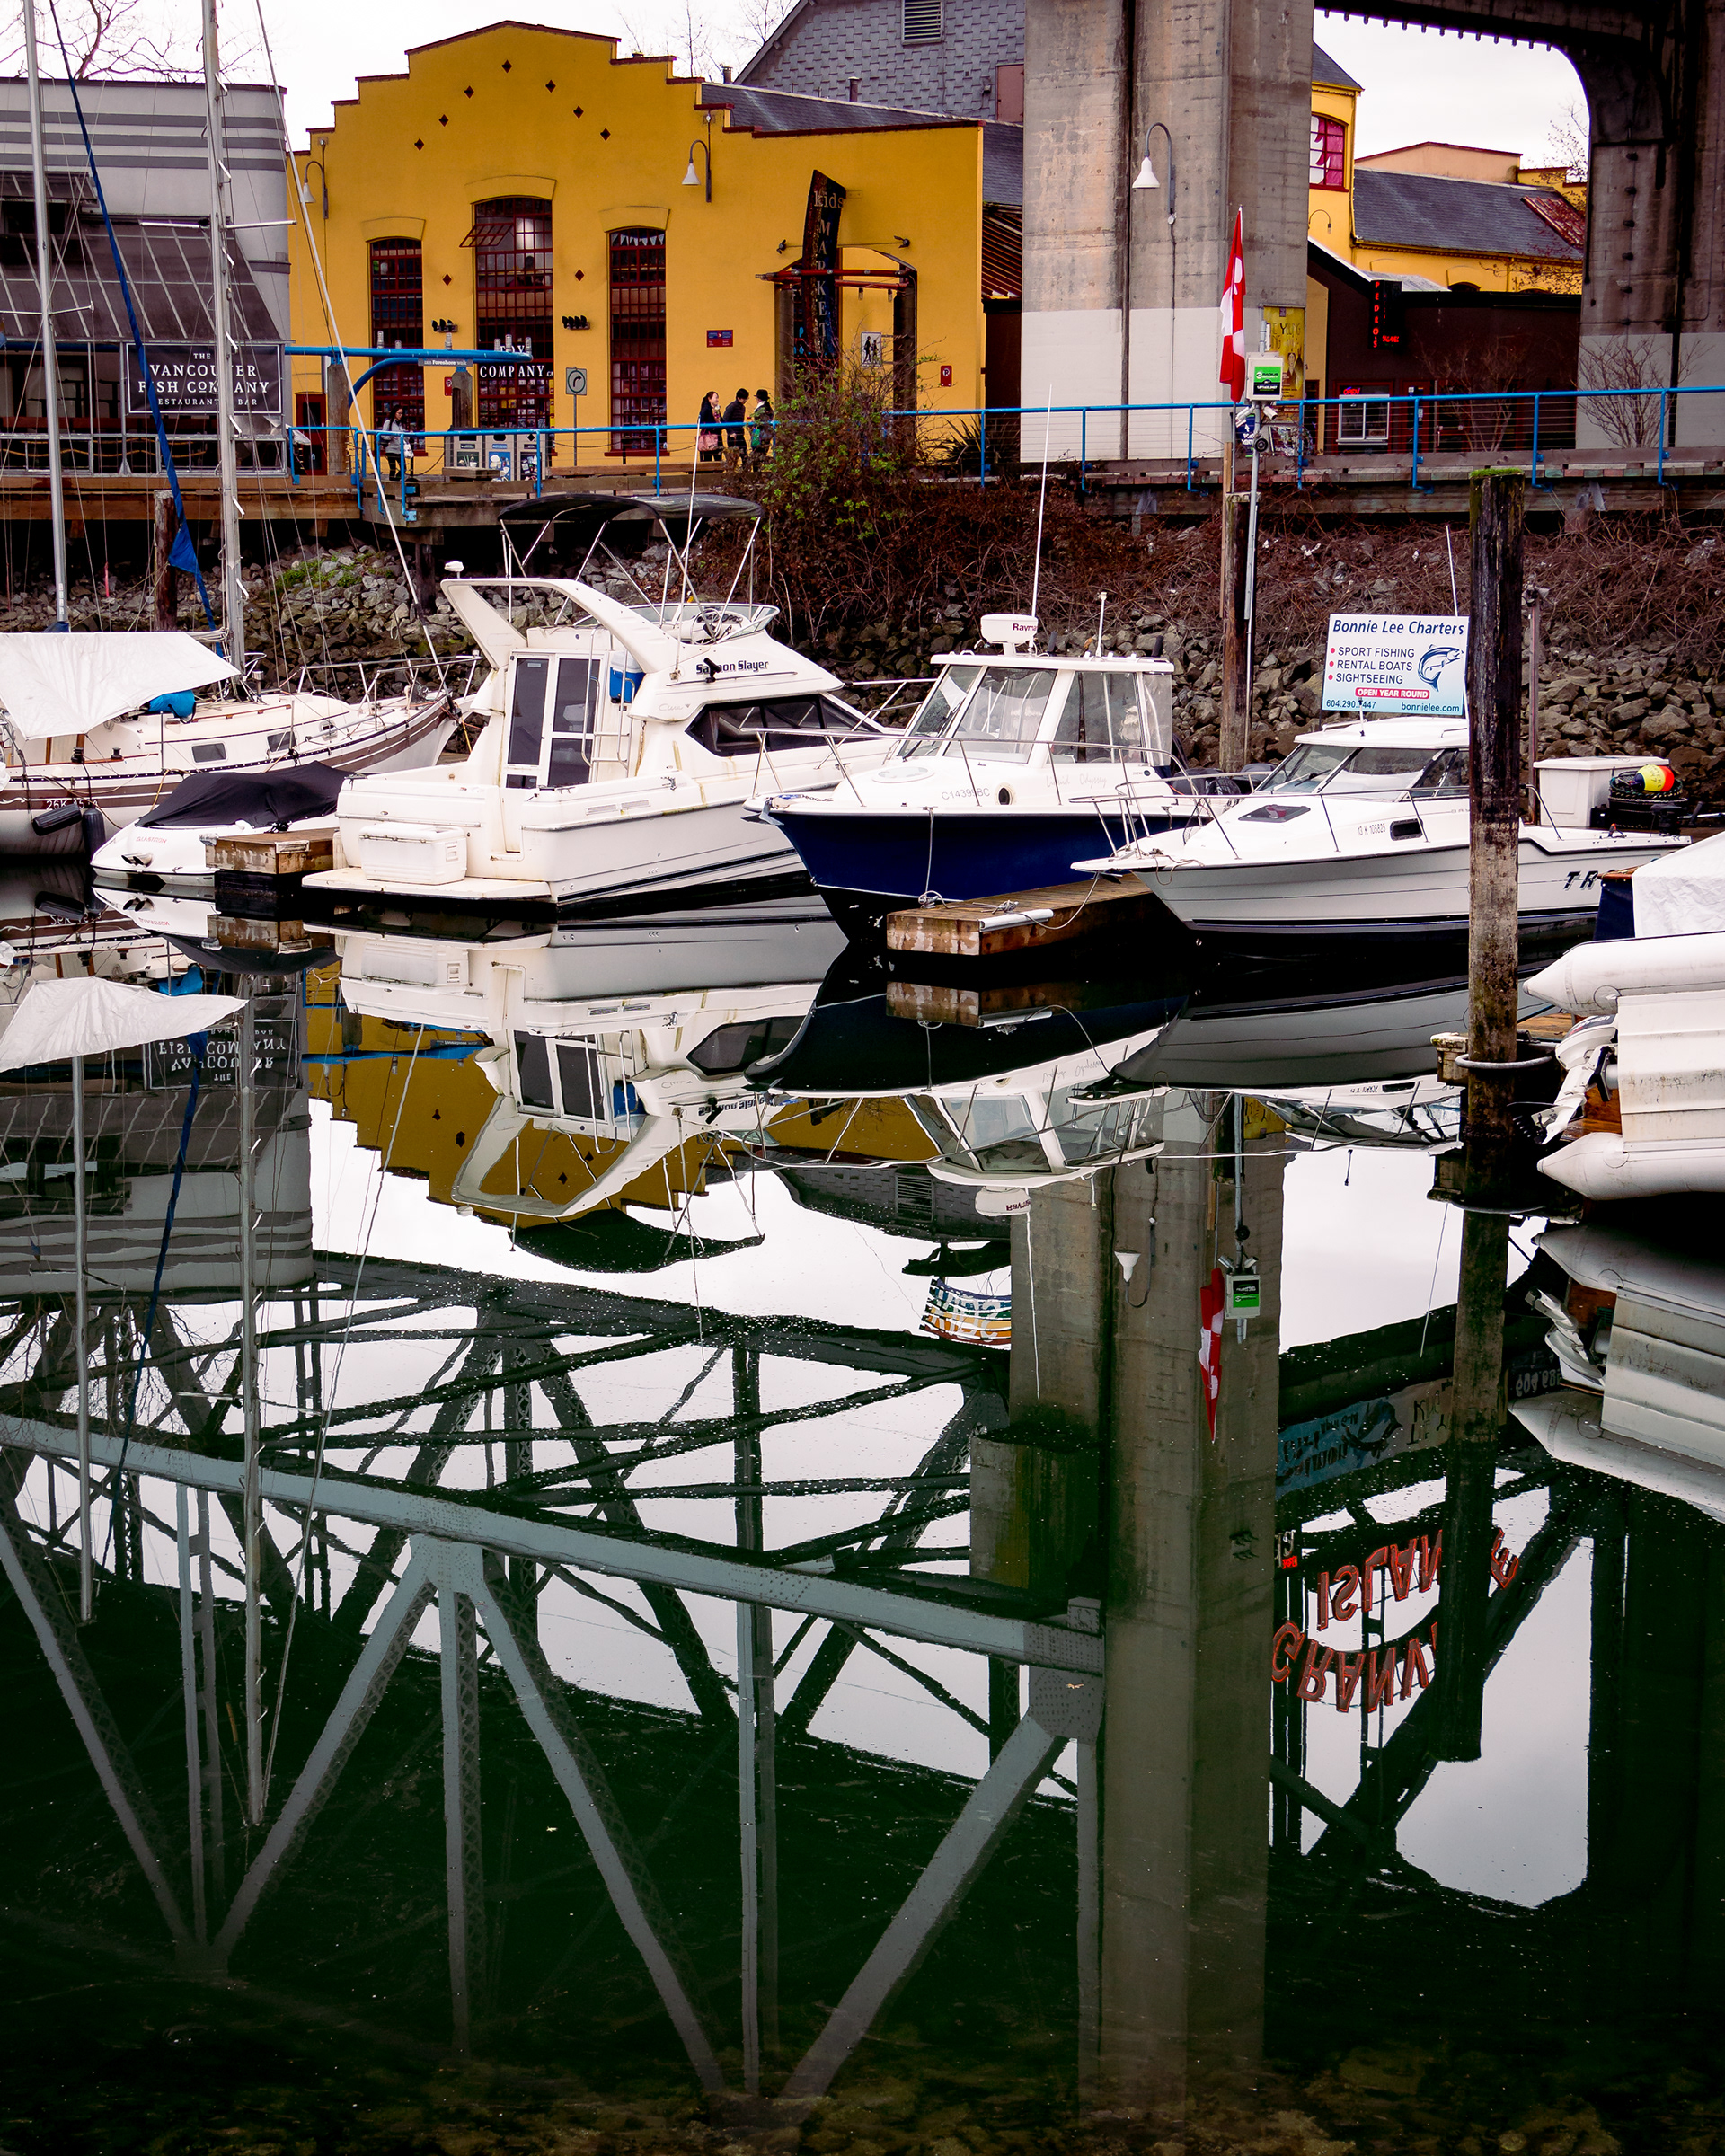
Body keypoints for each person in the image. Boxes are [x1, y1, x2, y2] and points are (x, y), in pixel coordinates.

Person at [748, 389, 774, 470]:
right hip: (768, 434)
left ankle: (756, 472)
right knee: (763, 454)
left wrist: (752, 424)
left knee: (756, 455)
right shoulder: (769, 408)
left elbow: (759, 423)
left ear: (758, 399)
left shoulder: (759, 409)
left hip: (759, 433)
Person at [723, 387, 748, 470]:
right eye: (744, 399)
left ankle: (745, 471)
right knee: (733, 458)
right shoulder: (731, 407)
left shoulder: (743, 408)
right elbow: (725, 420)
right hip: (732, 436)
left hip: (740, 434)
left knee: (745, 455)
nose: (745, 400)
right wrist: (730, 432)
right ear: (738, 398)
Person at [697, 391, 721, 463]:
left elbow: (722, 421)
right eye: (716, 398)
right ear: (709, 399)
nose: (717, 400)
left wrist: (719, 422)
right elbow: (700, 421)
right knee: (707, 460)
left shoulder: (716, 409)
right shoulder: (706, 409)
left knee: (718, 459)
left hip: (717, 437)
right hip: (708, 438)